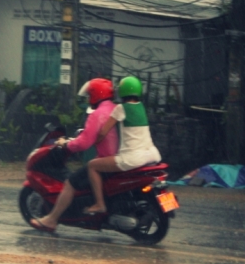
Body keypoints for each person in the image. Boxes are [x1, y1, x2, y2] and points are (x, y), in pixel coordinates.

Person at [29, 78, 118, 233]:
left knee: (71, 183)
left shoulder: (97, 114)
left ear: (96, 95)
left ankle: (51, 220)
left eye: (90, 95)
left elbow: (83, 144)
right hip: (118, 158)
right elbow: (94, 135)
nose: (88, 99)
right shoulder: (114, 109)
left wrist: (66, 144)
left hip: (106, 162)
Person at [84, 76, 161, 215]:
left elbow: (103, 132)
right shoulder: (141, 106)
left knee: (92, 166)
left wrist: (92, 141)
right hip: (151, 155)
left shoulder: (120, 108)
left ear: (121, 91)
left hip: (132, 158)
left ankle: (100, 204)